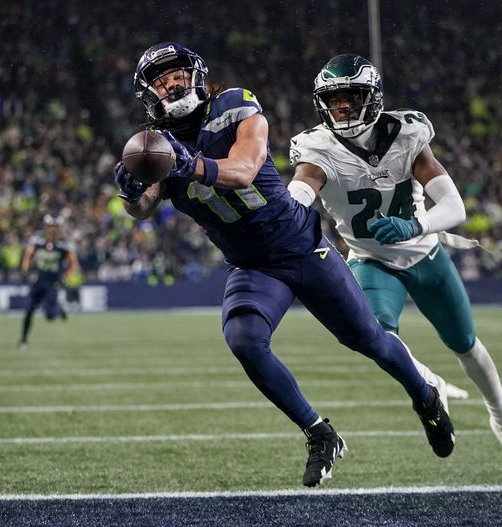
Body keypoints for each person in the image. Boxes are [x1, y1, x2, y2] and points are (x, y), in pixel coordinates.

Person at [114, 42, 455, 487]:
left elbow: (244, 169)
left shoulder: (235, 103)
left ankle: (425, 397)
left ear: (197, 73)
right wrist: (131, 192)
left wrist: (192, 163)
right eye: (161, 79)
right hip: (251, 265)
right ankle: (320, 433)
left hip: (299, 245)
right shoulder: (158, 144)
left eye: (177, 73)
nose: (172, 82)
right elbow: (143, 207)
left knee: (368, 338)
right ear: (148, 93)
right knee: (244, 339)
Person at [288, 54, 502, 474]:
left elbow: (454, 207)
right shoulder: (317, 149)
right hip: (369, 260)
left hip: (425, 254)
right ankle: (427, 385)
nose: (342, 107)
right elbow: (301, 191)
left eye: (351, 98)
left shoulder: (406, 134)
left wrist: (414, 224)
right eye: (334, 100)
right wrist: (287, 209)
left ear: (372, 97)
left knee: (467, 345)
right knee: (377, 337)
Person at [18, 214, 78, 351]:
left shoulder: (64, 243)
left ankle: (59, 309)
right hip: (39, 280)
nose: (53, 229)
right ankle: (23, 340)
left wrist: (67, 276)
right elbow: (28, 255)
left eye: (56, 226)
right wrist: (25, 270)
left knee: (50, 316)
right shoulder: (38, 240)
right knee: (28, 311)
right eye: (51, 226)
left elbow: (73, 262)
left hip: (53, 283)